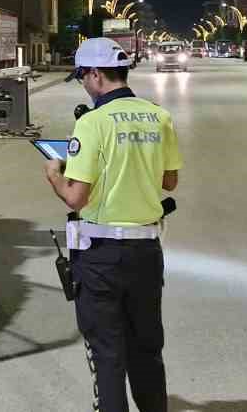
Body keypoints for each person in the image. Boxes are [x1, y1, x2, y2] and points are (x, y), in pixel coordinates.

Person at [43, 37, 181, 412]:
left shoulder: (93, 123)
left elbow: (76, 197)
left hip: (101, 256)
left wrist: (55, 174)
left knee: (107, 354)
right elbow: (169, 182)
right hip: (147, 253)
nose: (84, 86)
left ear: (95, 74)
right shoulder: (158, 116)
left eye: (83, 78)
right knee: (147, 349)